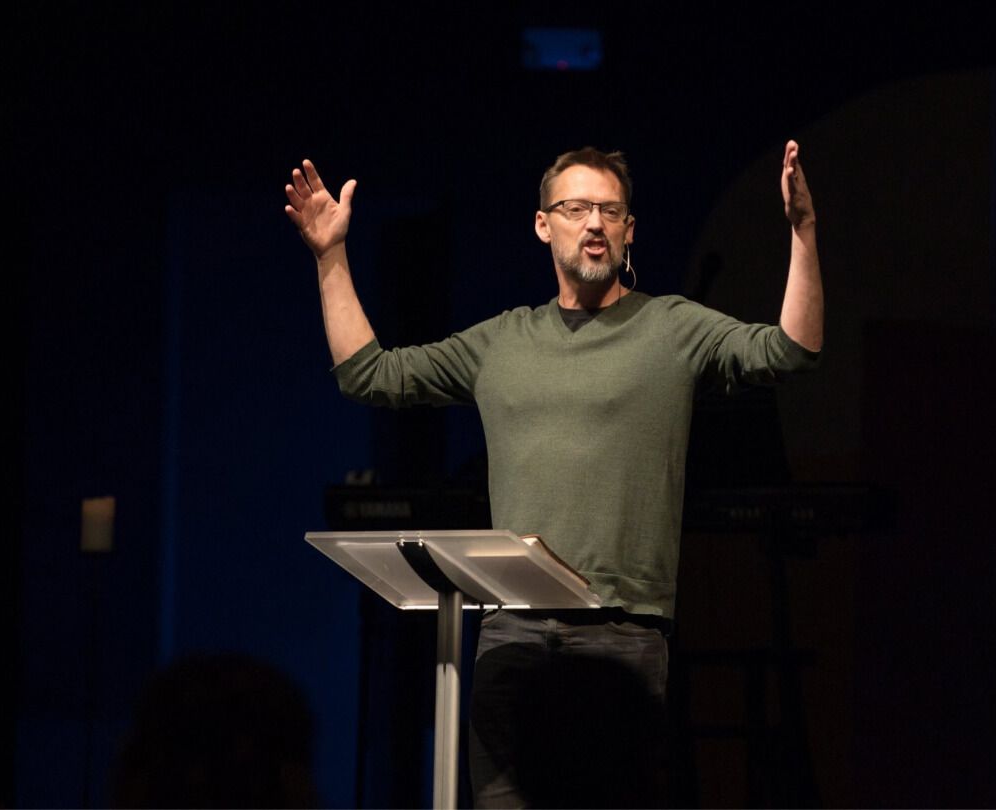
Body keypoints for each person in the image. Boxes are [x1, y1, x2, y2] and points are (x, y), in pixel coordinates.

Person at [284, 142, 823, 807]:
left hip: (621, 635)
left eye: (610, 210)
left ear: (629, 230)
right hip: (510, 635)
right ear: (544, 224)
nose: (594, 223)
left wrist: (802, 233)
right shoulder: (502, 341)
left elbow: (791, 351)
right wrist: (329, 257)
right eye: (575, 208)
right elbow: (370, 375)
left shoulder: (670, 328)